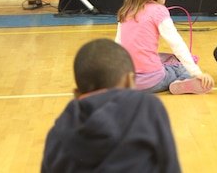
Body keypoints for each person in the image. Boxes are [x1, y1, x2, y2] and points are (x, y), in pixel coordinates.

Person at [41, 39, 181, 172]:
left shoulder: (57, 133)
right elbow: (170, 167)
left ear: (77, 94)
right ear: (129, 81)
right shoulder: (146, 107)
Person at [115, 0, 215, 94]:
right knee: (180, 67)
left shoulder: (125, 11)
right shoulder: (158, 11)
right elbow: (177, 44)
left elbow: (117, 46)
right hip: (152, 82)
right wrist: (197, 72)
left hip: (128, 81)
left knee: (160, 56)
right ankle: (181, 82)